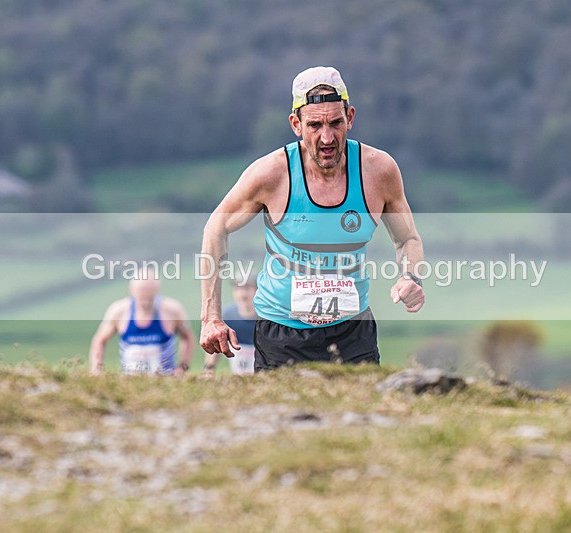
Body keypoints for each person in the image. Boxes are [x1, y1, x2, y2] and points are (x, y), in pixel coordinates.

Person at [199, 66, 425, 370]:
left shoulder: (379, 170)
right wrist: (211, 317)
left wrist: (411, 277)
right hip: (282, 334)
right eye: (315, 125)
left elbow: (407, 238)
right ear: (296, 124)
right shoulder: (271, 174)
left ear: (350, 118)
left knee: (361, 403)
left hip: (353, 331)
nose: (327, 137)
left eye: (335, 123)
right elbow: (216, 227)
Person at [89, 271, 195, 375]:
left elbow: (188, 338)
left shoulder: (172, 310)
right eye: (141, 296)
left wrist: (183, 367)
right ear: (131, 290)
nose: (145, 302)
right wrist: (97, 368)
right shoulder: (119, 311)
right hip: (129, 380)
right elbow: (99, 340)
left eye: (149, 296)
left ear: (157, 291)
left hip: (166, 380)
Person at [203, 276, 258, 376]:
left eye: (247, 288)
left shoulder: (265, 317)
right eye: (238, 288)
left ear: (256, 290)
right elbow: (216, 342)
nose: (242, 294)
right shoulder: (227, 315)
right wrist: (209, 369)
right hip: (238, 375)